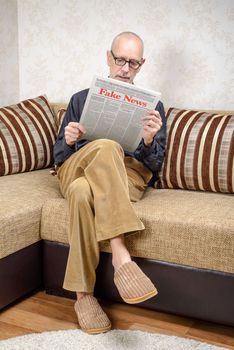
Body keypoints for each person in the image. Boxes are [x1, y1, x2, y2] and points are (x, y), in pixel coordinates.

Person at [53, 31, 166, 334]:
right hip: (78, 167)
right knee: (104, 147)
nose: (125, 68)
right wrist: (68, 139)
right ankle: (121, 255)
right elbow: (60, 158)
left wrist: (148, 139)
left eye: (133, 62)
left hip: (126, 176)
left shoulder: (153, 108)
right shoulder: (80, 99)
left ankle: (83, 296)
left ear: (141, 65)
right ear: (108, 57)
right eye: (120, 59)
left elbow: (155, 166)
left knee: (80, 191)